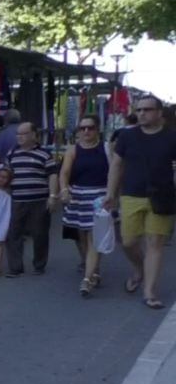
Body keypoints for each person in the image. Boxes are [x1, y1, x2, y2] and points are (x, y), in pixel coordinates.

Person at [105, 95, 176, 310]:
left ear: (159, 113)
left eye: (147, 109)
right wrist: (111, 194)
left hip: (162, 197)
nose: (142, 113)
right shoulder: (127, 137)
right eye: (139, 110)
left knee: (155, 244)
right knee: (128, 242)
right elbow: (116, 166)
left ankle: (149, 292)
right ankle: (139, 269)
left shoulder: (172, 137)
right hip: (131, 195)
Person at [59, 114, 109, 297]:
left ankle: (87, 279)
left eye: (90, 128)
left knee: (94, 237)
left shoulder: (106, 148)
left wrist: (113, 195)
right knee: (81, 236)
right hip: (78, 197)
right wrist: (64, 190)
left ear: (98, 130)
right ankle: (93, 267)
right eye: (82, 128)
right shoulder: (73, 150)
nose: (86, 131)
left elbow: (116, 172)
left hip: (99, 197)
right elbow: (64, 173)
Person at [5, 121, 59, 278]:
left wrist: (53, 196)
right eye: (18, 134)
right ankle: (15, 268)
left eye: (24, 134)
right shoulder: (12, 154)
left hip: (39, 201)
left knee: (40, 233)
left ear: (34, 135)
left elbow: (53, 175)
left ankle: (39, 265)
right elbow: (6, 174)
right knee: (14, 234)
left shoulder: (44, 154)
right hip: (18, 200)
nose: (20, 137)